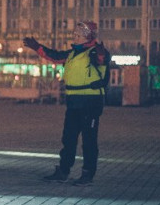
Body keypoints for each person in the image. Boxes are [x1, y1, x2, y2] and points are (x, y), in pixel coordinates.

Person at [23, 21, 111, 186]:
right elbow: (54, 56)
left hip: (91, 102)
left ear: (88, 37)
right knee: (68, 139)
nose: (74, 37)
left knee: (89, 141)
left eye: (78, 35)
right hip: (73, 103)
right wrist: (37, 47)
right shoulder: (72, 54)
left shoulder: (95, 52)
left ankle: (87, 174)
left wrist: (101, 55)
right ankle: (63, 171)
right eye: (74, 35)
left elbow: (102, 61)